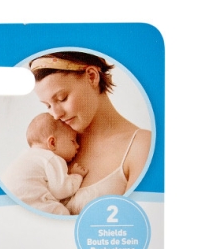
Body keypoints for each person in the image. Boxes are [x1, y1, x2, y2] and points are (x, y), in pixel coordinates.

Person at [30, 52, 151, 213]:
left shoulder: (141, 146)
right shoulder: (55, 143)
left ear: (92, 76)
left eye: (62, 98)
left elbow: (134, 221)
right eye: (48, 106)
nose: (56, 114)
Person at [2, 113, 88, 216]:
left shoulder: (26, 156)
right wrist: (76, 175)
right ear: (52, 143)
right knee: (61, 213)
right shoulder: (51, 158)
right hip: (30, 202)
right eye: (73, 141)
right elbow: (61, 190)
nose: (77, 146)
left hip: (8, 201)